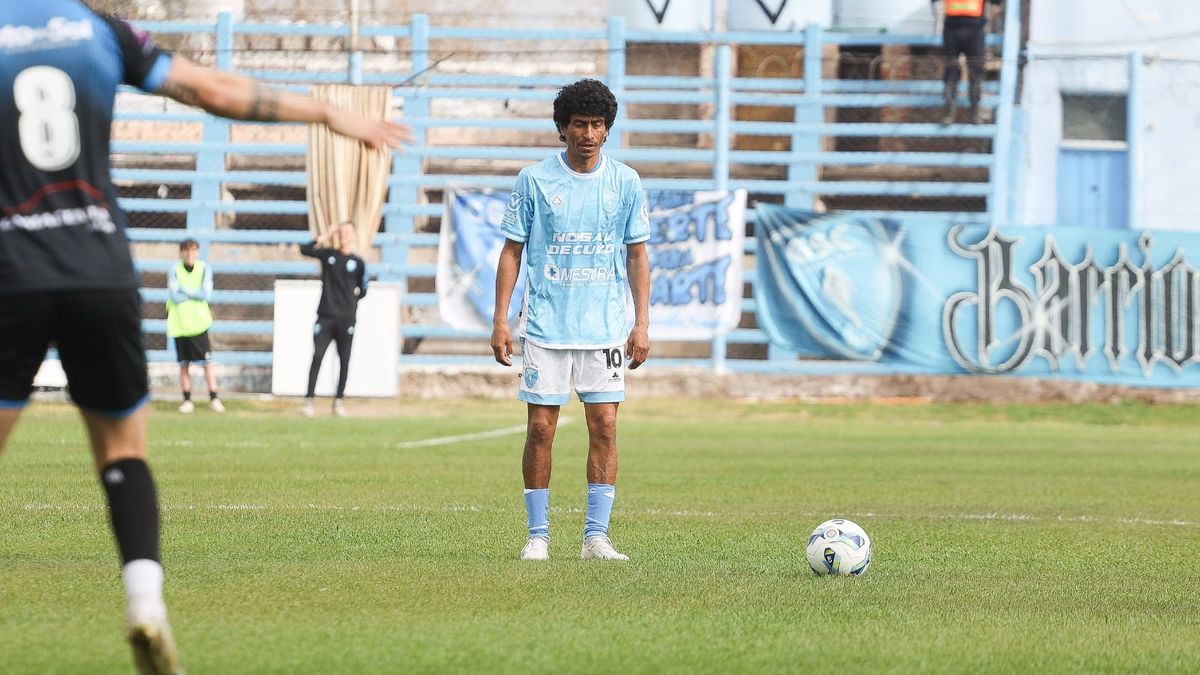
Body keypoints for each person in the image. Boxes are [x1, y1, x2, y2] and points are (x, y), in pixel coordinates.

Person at [0, 4, 410, 673]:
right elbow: (213, 91)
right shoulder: (101, 31)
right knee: (123, 452)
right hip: (101, 271)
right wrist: (331, 114)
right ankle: (146, 603)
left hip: (11, 272)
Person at [491, 79, 651, 562]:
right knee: (541, 429)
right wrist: (500, 319)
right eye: (579, 124)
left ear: (607, 130)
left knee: (604, 427)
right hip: (545, 325)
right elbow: (511, 251)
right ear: (562, 129)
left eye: (597, 124)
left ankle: (595, 538)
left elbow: (637, 254)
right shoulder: (534, 179)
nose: (588, 132)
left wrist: (641, 323)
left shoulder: (625, 181)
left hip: (603, 327)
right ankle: (537, 536)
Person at [299, 221, 367, 418]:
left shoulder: (359, 262)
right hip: (326, 316)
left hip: (346, 318)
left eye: (348, 232)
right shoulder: (329, 254)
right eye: (341, 231)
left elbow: (363, 289)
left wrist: (350, 303)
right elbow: (305, 250)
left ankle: (338, 401)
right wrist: (324, 236)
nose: (344, 235)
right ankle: (309, 400)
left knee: (344, 360)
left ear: (353, 235)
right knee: (317, 357)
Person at [167, 239, 224, 414]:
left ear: (197, 252)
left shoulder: (204, 269)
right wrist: (194, 293)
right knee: (184, 364)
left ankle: (214, 398)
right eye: (186, 251)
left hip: (199, 324)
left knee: (207, 363)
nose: (189, 254)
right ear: (181, 252)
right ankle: (187, 400)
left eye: (193, 251)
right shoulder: (174, 269)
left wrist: (185, 291)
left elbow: (205, 294)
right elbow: (174, 297)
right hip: (180, 324)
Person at [933, 0, 1002, 125]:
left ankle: (975, 111)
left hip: (975, 29)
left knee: (976, 71)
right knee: (950, 71)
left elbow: (996, 4)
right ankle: (949, 111)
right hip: (951, 28)